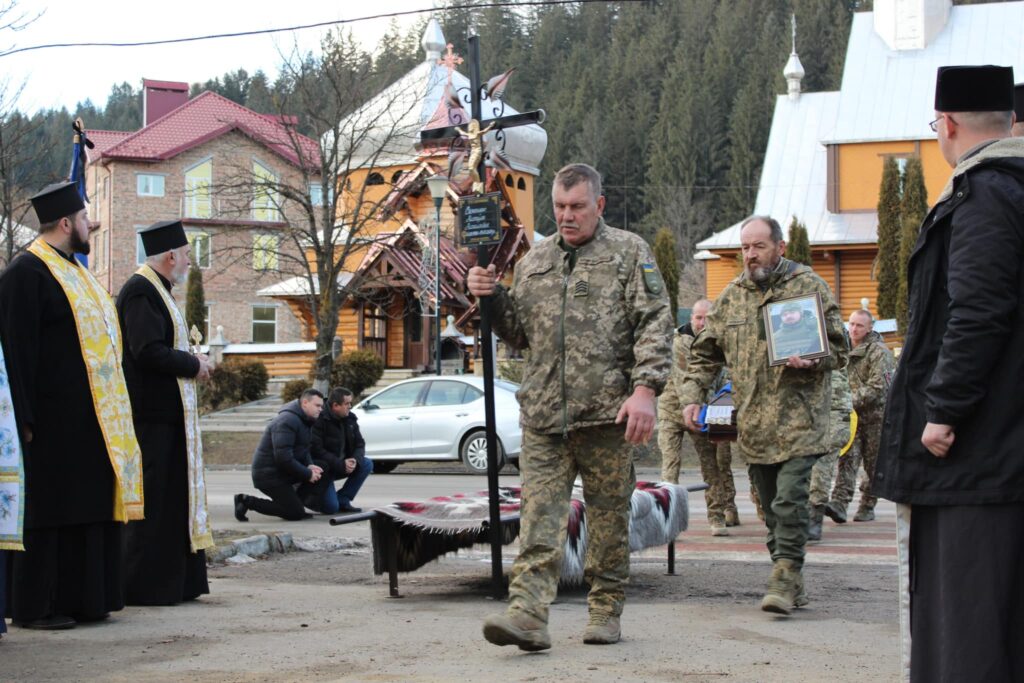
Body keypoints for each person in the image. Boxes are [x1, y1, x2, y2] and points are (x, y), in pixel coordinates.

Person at [468, 163, 673, 650]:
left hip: (607, 416)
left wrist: (645, 389)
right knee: (538, 518)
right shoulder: (536, 260)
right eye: (559, 207)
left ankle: (605, 609)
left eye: (577, 206)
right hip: (543, 415)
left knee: (606, 518)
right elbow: (518, 333)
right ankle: (528, 615)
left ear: (598, 205)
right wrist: (491, 298)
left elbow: (655, 323)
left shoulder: (628, 252)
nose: (567, 216)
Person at [873, 65, 1024, 681]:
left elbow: (979, 311)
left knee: (969, 629)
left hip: (977, 459)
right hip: (1004, 450)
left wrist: (943, 410)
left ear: (949, 123)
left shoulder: (985, 193)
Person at [680, 215, 847, 616]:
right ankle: (790, 572)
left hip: (800, 422)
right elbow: (703, 354)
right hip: (753, 425)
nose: (751, 255)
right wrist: (691, 396)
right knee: (770, 508)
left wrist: (813, 359)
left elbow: (840, 351)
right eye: (746, 248)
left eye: (759, 246)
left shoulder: (809, 288)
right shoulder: (733, 296)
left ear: (780, 247)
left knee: (791, 502)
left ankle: (784, 578)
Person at [0, 181, 144, 630]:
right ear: (65, 223)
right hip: (49, 422)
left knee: (87, 508)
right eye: (84, 219)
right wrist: (23, 417)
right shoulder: (26, 272)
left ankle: (85, 599)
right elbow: (15, 350)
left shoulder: (76, 272)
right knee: (52, 513)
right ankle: (37, 606)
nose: (89, 226)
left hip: (91, 421)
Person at [116, 219, 215, 606]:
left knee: (174, 500)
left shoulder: (159, 289)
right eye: (188, 255)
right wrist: (194, 365)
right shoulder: (141, 290)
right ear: (171, 256)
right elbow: (146, 350)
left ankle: (176, 583)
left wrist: (192, 358)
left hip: (168, 418)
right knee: (156, 501)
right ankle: (145, 585)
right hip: (151, 417)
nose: (190, 262)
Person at [657, 298, 737, 536]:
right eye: (698, 317)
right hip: (675, 410)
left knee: (711, 465)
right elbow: (685, 382)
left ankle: (716, 516)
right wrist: (695, 408)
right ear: (690, 318)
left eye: (707, 318)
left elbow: (723, 376)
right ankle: (666, 522)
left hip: (704, 412)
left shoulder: (717, 342)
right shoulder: (679, 342)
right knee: (670, 468)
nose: (702, 323)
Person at [826, 310, 894, 524]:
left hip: (875, 417)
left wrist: (847, 399)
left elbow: (879, 387)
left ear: (870, 328)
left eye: (859, 326)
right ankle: (839, 503)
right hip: (850, 417)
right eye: (852, 324)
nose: (854, 329)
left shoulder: (880, 352)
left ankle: (867, 504)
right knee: (847, 459)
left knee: (873, 464)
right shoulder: (843, 349)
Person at [234, 389, 331, 522]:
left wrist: (309, 465)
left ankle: (295, 504)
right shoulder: (287, 421)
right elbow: (283, 458)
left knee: (322, 468)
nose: (320, 409)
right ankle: (246, 501)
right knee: (294, 513)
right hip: (269, 476)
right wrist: (307, 474)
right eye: (317, 406)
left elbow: (304, 448)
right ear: (305, 403)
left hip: (283, 472)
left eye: (321, 406)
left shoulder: (305, 420)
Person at [806, 366, 853, 542]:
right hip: (807, 406)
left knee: (822, 463)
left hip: (835, 408)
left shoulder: (833, 344)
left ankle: (814, 517)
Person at [309, 387, 373, 514]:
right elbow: (316, 449)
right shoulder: (320, 419)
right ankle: (309, 499)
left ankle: (343, 499)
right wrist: (340, 463)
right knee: (331, 508)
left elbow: (360, 444)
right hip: (324, 469)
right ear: (335, 406)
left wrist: (354, 460)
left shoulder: (350, 418)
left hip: (342, 465)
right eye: (347, 404)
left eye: (351, 403)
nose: (350, 406)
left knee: (366, 463)